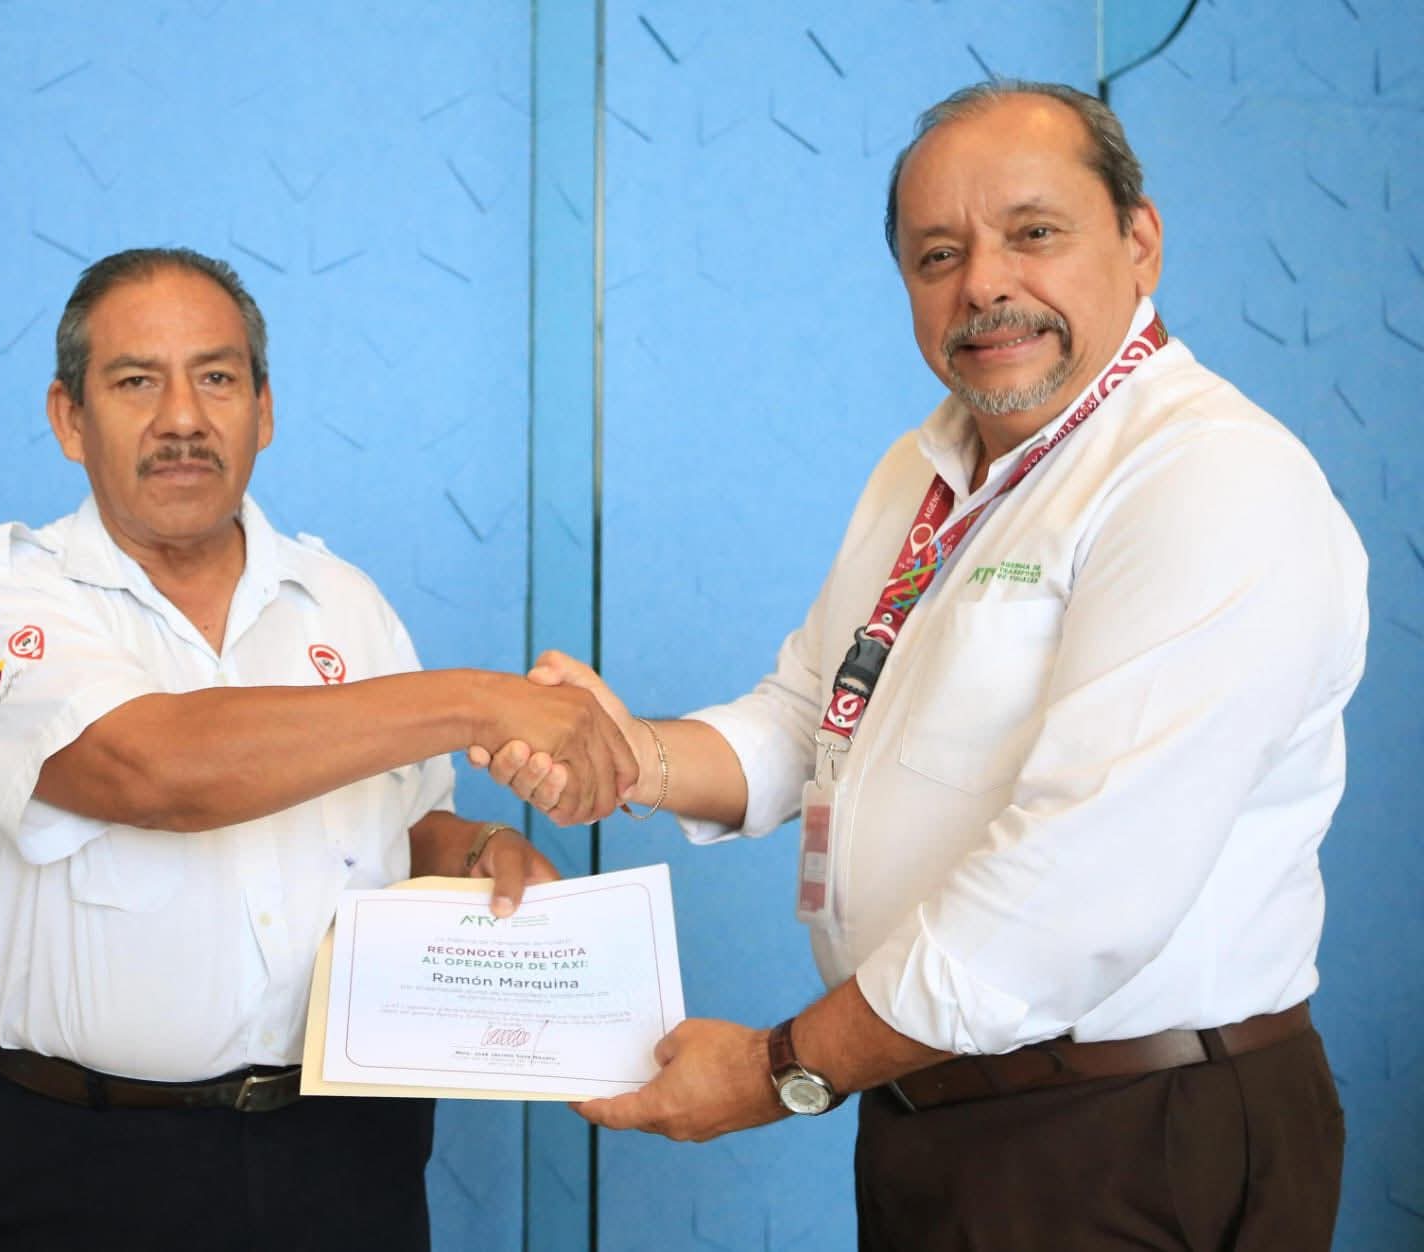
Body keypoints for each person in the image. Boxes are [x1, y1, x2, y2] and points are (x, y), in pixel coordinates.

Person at [477, 81, 1367, 1250]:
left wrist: (777, 1069)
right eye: (937, 253)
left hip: (1131, 1130)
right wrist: (629, 753)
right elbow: (814, 712)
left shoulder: (1205, 480)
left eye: (1033, 232)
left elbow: (1071, 893)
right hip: (934, 1110)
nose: (983, 282)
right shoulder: (925, 468)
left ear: (1139, 241)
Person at [0, 246, 635, 1251]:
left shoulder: (344, 602)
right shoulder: (4, 597)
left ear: (263, 410)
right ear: (68, 418)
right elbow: (154, 769)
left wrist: (477, 851)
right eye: (136, 382)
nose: (182, 418)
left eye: (217, 378)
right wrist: (479, 702)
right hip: (87, 1159)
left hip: (347, 1152)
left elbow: (403, 827)